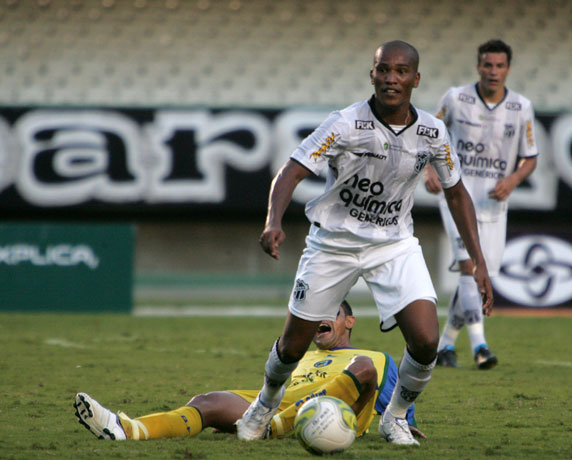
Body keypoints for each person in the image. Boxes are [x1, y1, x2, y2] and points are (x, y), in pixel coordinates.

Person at [243, 40, 492, 447]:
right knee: (292, 346)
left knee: (427, 339)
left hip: (393, 244)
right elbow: (290, 172)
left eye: (400, 71)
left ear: (415, 78)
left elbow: (457, 192)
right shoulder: (344, 123)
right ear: (372, 74)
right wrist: (273, 221)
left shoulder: (432, 131)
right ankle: (265, 403)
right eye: (383, 70)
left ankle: (393, 418)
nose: (390, 78)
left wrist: (478, 262)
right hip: (332, 244)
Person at [74, 301, 426, 441]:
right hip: (274, 406)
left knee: (362, 368)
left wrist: (404, 421)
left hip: (333, 413)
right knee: (208, 400)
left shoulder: (375, 356)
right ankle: (126, 430)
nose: (320, 317)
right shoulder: (298, 356)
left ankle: (276, 426)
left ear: (349, 320)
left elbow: (394, 410)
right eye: (316, 310)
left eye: (330, 311)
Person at [424, 39, 538, 370]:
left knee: (486, 271)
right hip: (457, 197)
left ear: (508, 69)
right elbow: (427, 135)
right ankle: (480, 347)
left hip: (494, 203)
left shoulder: (521, 107)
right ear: (478, 66)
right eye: (487, 65)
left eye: (499, 66)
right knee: (470, 267)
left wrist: (513, 180)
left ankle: (445, 345)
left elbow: (530, 158)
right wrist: (431, 170)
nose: (493, 71)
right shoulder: (456, 98)